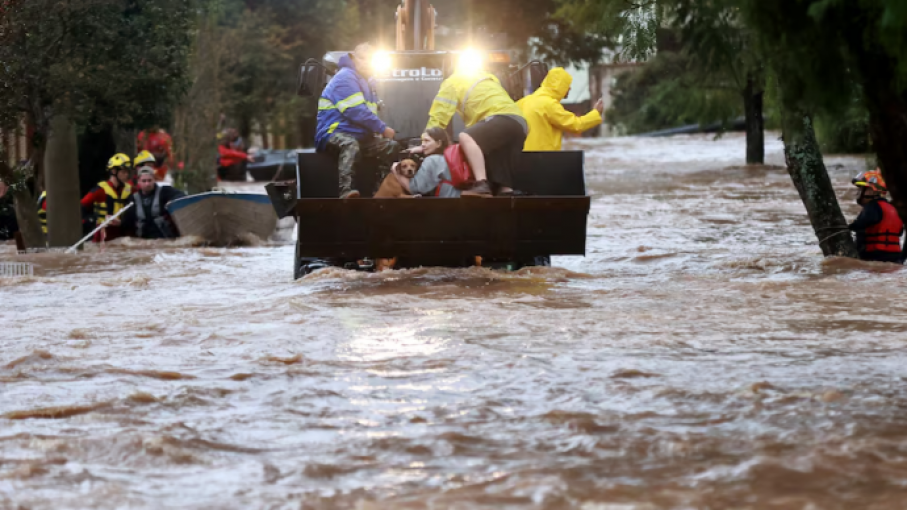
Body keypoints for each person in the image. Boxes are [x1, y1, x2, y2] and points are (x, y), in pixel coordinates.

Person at [427, 67, 528, 197]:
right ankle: (506, 190)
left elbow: (439, 115)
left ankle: (481, 183)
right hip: (520, 123)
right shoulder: (488, 77)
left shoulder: (451, 82)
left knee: (466, 136)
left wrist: (426, 139)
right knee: (497, 153)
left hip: (499, 117)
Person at [315, 42, 399, 199]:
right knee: (350, 144)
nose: (366, 63)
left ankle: (380, 192)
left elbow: (369, 113)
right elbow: (356, 112)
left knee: (390, 147)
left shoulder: (369, 83)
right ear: (353, 58)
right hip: (333, 132)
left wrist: (379, 134)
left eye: (370, 59)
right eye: (362, 58)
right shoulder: (345, 78)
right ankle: (346, 191)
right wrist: (383, 129)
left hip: (359, 136)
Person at [518, 68, 604, 151]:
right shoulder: (549, 104)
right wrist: (596, 113)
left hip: (522, 159)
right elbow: (576, 125)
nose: (569, 88)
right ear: (559, 85)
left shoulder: (522, 102)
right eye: (566, 85)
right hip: (543, 159)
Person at [848, 169, 905, 263]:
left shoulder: (872, 206)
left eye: (862, 189)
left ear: (871, 191)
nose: (859, 193)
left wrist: (850, 227)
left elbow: (863, 222)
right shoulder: (893, 208)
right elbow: (900, 232)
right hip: (895, 257)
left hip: (875, 255)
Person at [393, 127, 462, 198]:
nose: (422, 144)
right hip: (456, 201)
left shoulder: (432, 160)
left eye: (427, 141)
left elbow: (415, 189)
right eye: (422, 141)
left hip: (442, 204)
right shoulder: (448, 158)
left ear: (438, 143)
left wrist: (396, 170)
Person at [80, 153, 133, 243]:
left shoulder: (130, 190)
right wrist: (93, 219)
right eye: (124, 172)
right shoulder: (100, 190)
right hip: (102, 237)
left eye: (128, 172)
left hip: (123, 235)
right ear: (113, 171)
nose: (126, 175)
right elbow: (80, 207)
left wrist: (122, 222)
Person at [121, 166, 185, 239]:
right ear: (138, 181)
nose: (147, 184)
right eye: (144, 181)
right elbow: (126, 223)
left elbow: (181, 196)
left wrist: (172, 202)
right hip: (143, 241)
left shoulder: (165, 191)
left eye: (149, 180)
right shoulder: (133, 199)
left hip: (165, 239)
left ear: (154, 180)